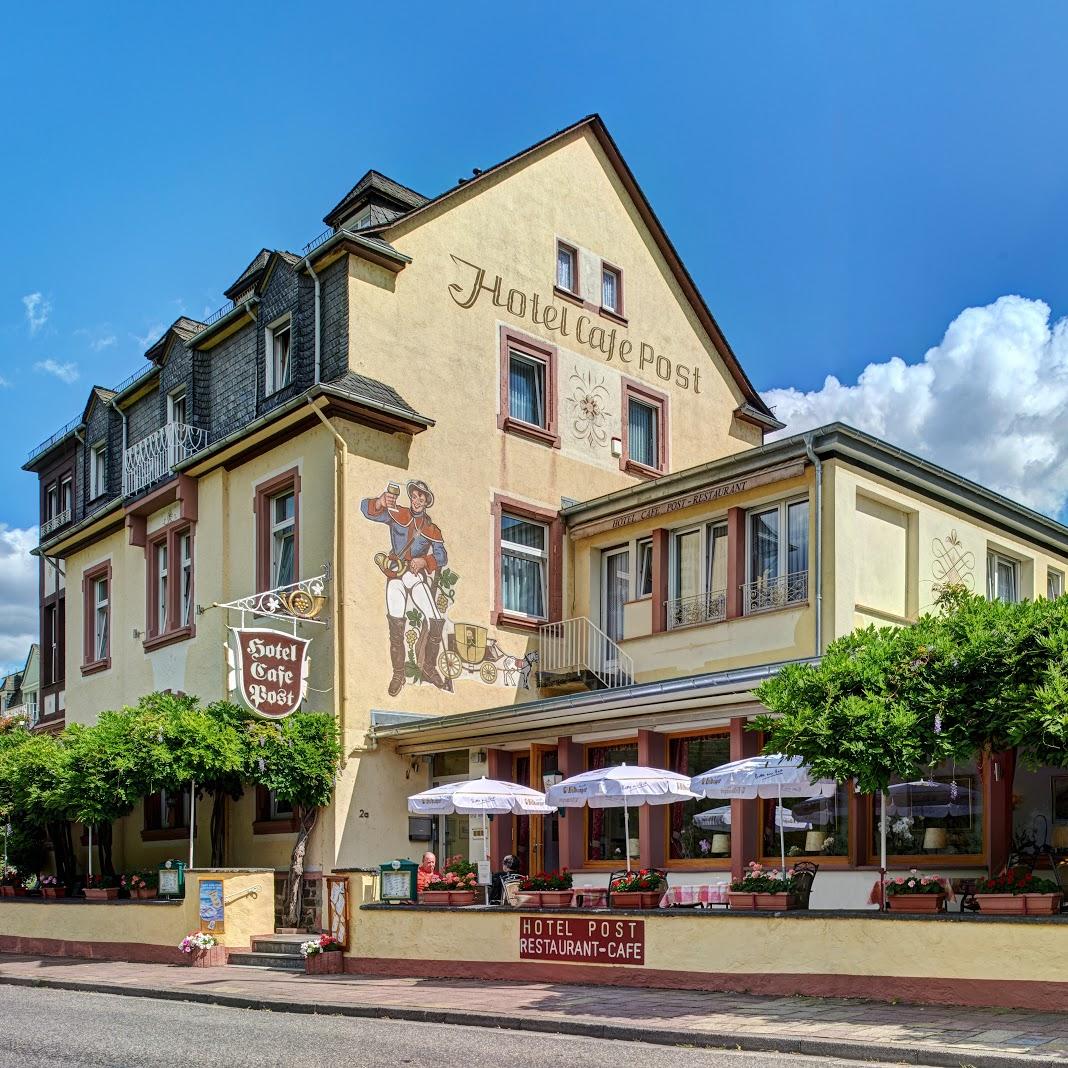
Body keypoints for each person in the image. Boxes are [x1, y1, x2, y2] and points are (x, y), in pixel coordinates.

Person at [361, 480, 449, 696]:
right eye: (415, 496)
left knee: (436, 619)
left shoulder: (431, 529)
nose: (417, 500)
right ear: (410, 497)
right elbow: (367, 510)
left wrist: (424, 562)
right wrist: (380, 502)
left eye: (422, 497)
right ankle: (398, 674)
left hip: (414, 574)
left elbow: (442, 556)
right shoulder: (397, 513)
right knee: (396, 626)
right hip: (395, 573)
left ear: (427, 501)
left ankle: (428, 666)